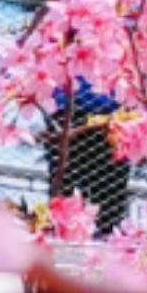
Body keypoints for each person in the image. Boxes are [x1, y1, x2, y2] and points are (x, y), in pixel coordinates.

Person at [43, 78, 133, 235]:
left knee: (109, 192)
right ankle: (63, 231)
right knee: (64, 188)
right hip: (69, 110)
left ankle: (107, 235)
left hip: (111, 117)